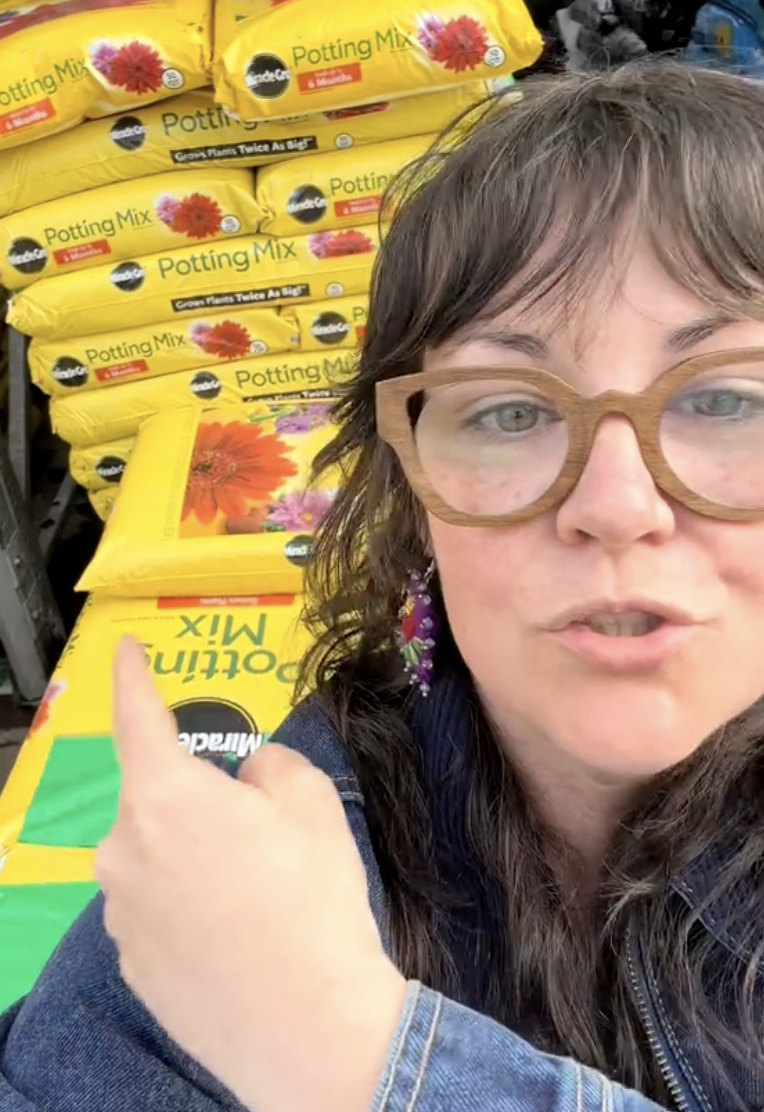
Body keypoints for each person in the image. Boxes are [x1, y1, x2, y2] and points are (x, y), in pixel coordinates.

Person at [2, 58, 764, 1112]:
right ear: (408, 489)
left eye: (726, 400)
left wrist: (348, 1052)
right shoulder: (252, 873)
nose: (616, 503)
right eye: (507, 410)